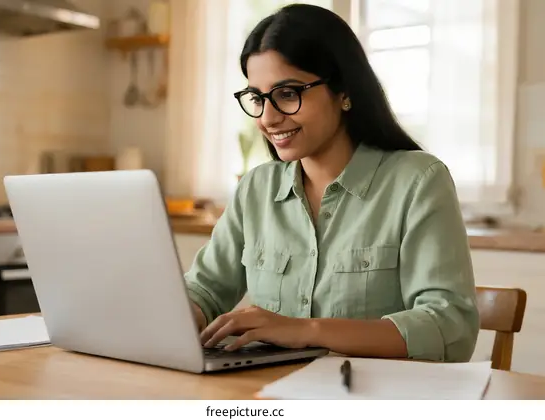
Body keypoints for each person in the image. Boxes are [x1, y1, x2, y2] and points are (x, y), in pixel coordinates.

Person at [184, 3, 479, 363]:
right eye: (258, 98)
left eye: (288, 94)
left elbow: (449, 327)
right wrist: (168, 316)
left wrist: (305, 331)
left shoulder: (418, 181)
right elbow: (204, 290)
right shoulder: (256, 188)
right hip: (269, 392)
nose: (269, 117)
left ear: (343, 91)